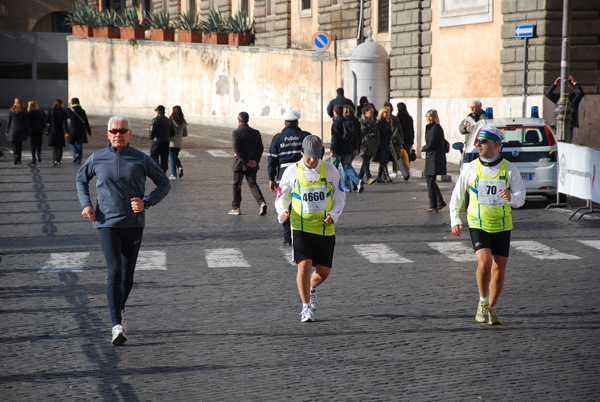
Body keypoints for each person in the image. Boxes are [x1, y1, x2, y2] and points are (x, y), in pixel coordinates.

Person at [76, 116, 171, 345]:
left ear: (130, 133)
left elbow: (164, 183)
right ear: (108, 134)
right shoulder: (97, 158)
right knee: (115, 269)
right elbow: (81, 180)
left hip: (133, 224)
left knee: (127, 276)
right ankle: (116, 325)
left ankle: (120, 309)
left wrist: (146, 202)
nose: (118, 134)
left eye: (122, 130)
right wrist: (86, 204)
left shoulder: (141, 158)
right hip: (107, 223)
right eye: (114, 131)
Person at [449, 125, 526, 325]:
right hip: (478, 222)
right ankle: (482, 302)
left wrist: (510, 197)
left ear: (495, 145)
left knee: (499, 268)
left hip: (501, 224)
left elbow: (521, 198)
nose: (477, 145)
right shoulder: (470, 167)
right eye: (477, 141)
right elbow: (456, 196)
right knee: (484, 263)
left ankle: (491, 308)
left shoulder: (509, 168)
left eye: (482, 142)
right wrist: (455, 219)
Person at [274, 135, 346, 322]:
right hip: (300, 225)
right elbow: (281, 197)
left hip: (324, 226)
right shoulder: (291, 171)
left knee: (324, 272)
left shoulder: (330, 170)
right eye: (309, 157)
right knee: (304, 265)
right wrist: (282, 212)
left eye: (316, 156)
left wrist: (334, 215)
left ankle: (311, 289)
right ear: (302, 153)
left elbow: (340, 196)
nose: (312, 160)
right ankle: (306, 307)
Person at [267, 110, 311, 246]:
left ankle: (288, 238)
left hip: (283, 178)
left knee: (285, 205)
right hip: (303, 177)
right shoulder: (305, 136)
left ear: (285, 122)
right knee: (303, 204)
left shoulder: (278, 138)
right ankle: (304, 235)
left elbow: (272, 160)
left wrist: (271, 178)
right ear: (297, 122)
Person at [229, 111, 268, 216]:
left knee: (236, 185)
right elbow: (260, 148)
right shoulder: (256, 132)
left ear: (239, 120)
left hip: (239, 164)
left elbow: (237, 150)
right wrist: (254, 161)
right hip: (253, 164)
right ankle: (261, 203)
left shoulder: (236, 133)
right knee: (253, 184)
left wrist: (246, 161)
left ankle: (236, 208)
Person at [330, 105, 364, 193]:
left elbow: (335, 137)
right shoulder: (349, 121)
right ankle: (357, 181)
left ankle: (332, 186)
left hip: (338, 149)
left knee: (333, 168)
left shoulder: (336, 121)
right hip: (348, 148)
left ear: (335, 112)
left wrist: (332, 149)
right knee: (347, 166)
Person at [544, 75, 585, 143]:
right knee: (561, 142)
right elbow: (548, 94)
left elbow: (580, 93)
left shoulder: (574, 98)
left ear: (571, 90)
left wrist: (574, 83)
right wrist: (554, 85)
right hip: (561, 124)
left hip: (572, 124)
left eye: (568, 90)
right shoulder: (559, 98)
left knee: (571, 142)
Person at [421, 109, 447, 212]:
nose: (428, 118)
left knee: (430, 180)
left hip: (435, 158)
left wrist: (424, 148)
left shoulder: (436, 128)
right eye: (427, 116)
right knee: (430, 180)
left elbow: (431, 144)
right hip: (431, 158)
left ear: (434, 117)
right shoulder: (430, 127)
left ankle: (433, 205)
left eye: (430, 116)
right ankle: (440, 202)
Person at [149, 105, 175, 173]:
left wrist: (151, 137)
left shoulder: (155, 120)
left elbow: (152, 131)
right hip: (166, 141)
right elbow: (173, 132)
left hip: (157, 141)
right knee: (164, 157)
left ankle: (158, 169)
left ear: (158, 112)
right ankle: (163, 170)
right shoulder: (169, 121)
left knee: (153, 156)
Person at [66, 97, 92, 164]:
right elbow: (86, 121)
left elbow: (66, 116)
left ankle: (76, 152)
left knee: (71, 142)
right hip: (81, 129)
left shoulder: (71, 111)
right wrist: (89, 131)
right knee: (80, 144)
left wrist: (68, 108)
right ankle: (78, 160)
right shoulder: (82, 111)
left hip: (73, 129)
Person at [358, 104, 379, 185]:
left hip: (372, 145)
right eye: (370, 112)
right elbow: (360, 133)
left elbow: (377, 134)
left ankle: (357, 180)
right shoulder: (361, 121)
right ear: (365, 112)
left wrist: (377, 144)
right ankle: (369, 177)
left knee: (365, 162)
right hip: (363, 145)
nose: (372, 113)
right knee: (366, 161)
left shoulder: (374, 121)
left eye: (373, 112)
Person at [5, 97, 29, 165]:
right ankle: (19, 158)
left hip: (13, 129)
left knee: (14, 144)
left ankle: (15, 156)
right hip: (21, 129)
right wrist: (27, 132)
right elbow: (26, 123)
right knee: (19, 144)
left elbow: (9, 121)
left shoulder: (11, 110)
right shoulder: (24, 111)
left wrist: (7, 130)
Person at [45, 99, 68, 166]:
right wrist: (66, 132)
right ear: (61, 104)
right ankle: (58, 160)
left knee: (54, 146)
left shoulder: (51, 111)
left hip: (52, 130)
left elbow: (46, 120)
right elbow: (65, 123)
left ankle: (54, 159)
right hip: (60, 130)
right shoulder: (62, 112)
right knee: (60, 146)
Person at [168, 105, 188, 180]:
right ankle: (179, 167)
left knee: (172, 158)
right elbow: (185, 134)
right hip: (179, 142)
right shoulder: (183, 121)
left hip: (172, 142)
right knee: (175, 156)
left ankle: (174, 174)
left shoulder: (170, 120)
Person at [375, 107, 393, 183]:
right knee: (383, 160)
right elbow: (382, 131)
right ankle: (387, 176)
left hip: (387, 142)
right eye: (386, 113)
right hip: (382, 142)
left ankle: (379, 176)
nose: (387, 114)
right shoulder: (381, 122)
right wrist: (387, 125)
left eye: (388, 113)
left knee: (384, 160)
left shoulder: (389, 121)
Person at [396, 102, 414, 170]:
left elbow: (398, 131)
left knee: (400, 156)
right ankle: (407, 168)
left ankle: (402, 170)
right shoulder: (409, 118)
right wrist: (412, 139)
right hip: (409, 139)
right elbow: (412, 130)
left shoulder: (398, 118)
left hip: (402, 140)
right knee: (407, 156)